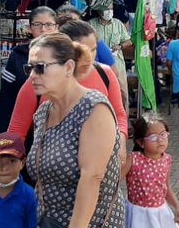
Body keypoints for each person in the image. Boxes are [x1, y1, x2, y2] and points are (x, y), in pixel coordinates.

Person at [26, 33, 124, 227]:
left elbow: (92, 176)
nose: (32, 75)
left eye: (40, 67)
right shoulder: (44, 112)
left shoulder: (94, 108)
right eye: (29, 68)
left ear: (69, 67)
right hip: (48, 220)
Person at [9, 20, 128, 174]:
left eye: (93, 50)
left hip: (101, 168)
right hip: (52, 174)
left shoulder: (104, 74)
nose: (89, 57)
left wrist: (122, 143)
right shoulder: (39, 82)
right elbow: (17, 132)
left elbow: (119, 114)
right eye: (82, 51)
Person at [0, 6, 58, 133]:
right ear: (30, 28)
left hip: (57, 125)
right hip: (25, 126)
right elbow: (7, 97)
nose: (43, 29)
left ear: (56, 27)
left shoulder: (64, 55)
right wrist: (4, 135)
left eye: (48, 25)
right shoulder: (18, 54)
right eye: (37, 25)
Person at [123, 113, 179, 227]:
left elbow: (166, 187)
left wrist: (177, 207)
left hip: (161, 213)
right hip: (139, 215)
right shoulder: (133, 159)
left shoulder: (166, 159)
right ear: (141, 142)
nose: (160, 140)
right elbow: (115, 180)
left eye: (163, 135)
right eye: (153, 137)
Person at [89, 4, 132, 116]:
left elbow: (128, 41)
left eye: (111, 9)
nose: (109, 11)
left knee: (122, 93)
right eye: (106, 9)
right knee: (101, 93)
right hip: (97, 66)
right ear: (99, 11)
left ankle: (124, 121)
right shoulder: (91, 24)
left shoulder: (118, 24)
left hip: (117, 64)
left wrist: (120, 46)